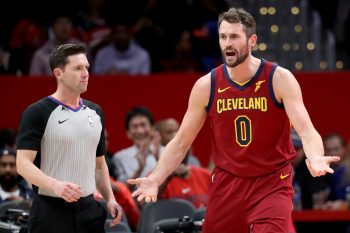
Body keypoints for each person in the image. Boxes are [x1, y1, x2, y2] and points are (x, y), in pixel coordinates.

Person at [127, 7, 340, 233]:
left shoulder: (279, 79)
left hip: (271, 182)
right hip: (227, 184)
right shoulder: (206, 86)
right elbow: (181, 142)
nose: (227, 43)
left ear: (252, 41)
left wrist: (316, 156)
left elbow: (306, 131)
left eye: (235, 36)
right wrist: (155, 178)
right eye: (223, 36)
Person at [16, 44, 122, 233]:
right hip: (50, 211)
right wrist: (55, 185)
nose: (85, 73)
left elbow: (99, 164)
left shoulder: (96, 112)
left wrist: (110, 198)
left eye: (86, 68)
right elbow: (22, 164)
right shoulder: (37, 112)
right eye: (77, 68)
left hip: (90, 210)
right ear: (59, 73)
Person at [112, 107, 163, 190]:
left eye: (143, 125)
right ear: (128, 133)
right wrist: (139, 169)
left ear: (152, 128)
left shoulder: (164, 151)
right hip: (136, 201)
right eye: (135, 127)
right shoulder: (120, 158)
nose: (140, 131)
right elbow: (120, 190)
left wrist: (158, 158)